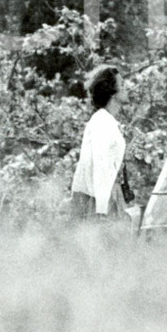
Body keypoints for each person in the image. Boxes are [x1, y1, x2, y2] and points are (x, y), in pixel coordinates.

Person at [70, 65, 130, 219]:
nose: (126, 89)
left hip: (108, 195)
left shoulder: (106, 121)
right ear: (112, 92)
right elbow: (100, 167)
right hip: (100, 201)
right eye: (122, 85)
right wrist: (101, 211)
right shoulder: (102, 123)